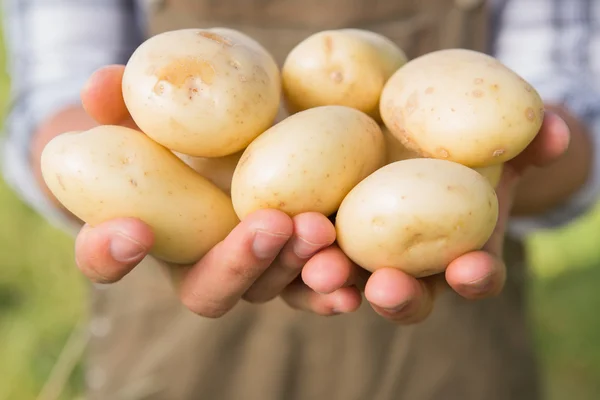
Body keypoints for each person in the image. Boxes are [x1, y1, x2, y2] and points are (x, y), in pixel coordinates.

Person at [1, 0, 599, 399]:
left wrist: (525, 167)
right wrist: (94, 170)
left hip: (450, 319)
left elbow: (569, 97)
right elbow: (55, 87)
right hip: (173, 314)